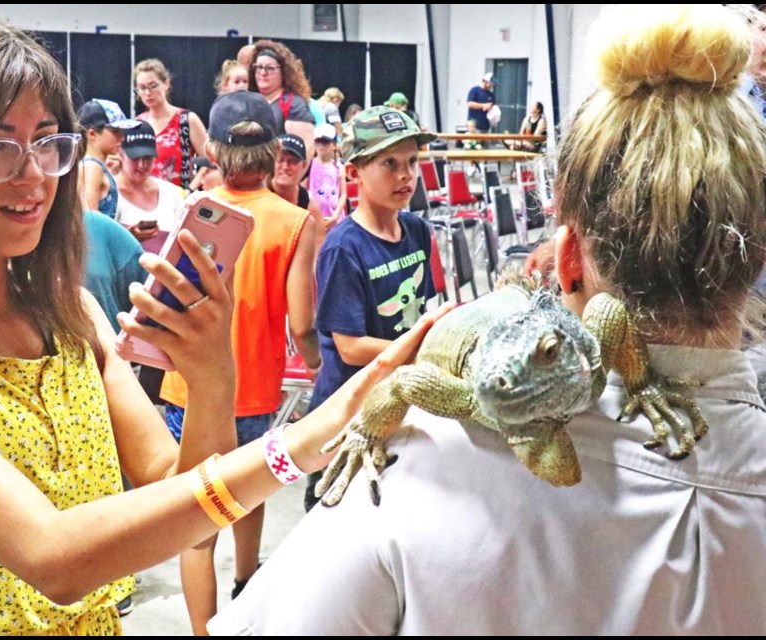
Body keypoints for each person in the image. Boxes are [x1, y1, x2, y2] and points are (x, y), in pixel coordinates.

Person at [0, 14, 447, 635]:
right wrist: (304, 440)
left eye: (46, 141)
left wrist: (208, 374)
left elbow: (182, 500)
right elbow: (52, 558)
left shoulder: (70, 317)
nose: (34, 175)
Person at [210, 4, 766, 634]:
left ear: (567, 259)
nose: (404, 175)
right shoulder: (466, 395)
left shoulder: (405, 489)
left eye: (410, 161)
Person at [158, 91, 321, 634]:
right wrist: (317, 361)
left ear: (216, 154)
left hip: (191, 388)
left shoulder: (195, 213)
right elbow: (301, 323)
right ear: (276, 151)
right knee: (249, 496)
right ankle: (246, 594)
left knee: (196, 524)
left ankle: (204, 629)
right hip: (256, 387)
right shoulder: (297, 221)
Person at [299, 106, 438, 512]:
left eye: (412, 162)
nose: (405, 175)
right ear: (355, 172)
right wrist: (420, 351)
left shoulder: (416, 230)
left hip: (395, 399)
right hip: (347, 410)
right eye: (389, 163)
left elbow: (417, 316)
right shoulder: (344, 247)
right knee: (334, 526)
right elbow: (350, 347)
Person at [134, 58, 208, 190]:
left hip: (179, 197)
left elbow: (208, 160)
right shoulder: (137, 123)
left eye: (153, 86)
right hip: (146, 198)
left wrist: (190, 190)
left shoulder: (186, 120)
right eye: (142, 88)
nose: (147, 93)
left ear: (166, 84)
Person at [114, 119, 185, 251]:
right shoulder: (110, 194)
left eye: (147, 157)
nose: (142, 165)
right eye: (135, 158)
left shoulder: (172, 193)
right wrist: (129, 237)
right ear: (120, 154)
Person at [247, 40, 316, 151]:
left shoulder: (294, 105)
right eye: (259, 67)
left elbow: (305, 151)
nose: (263, 73)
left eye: (270, 68)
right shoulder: (247, 101)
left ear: (283, 71)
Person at [269, 133, 327, 248]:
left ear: (304, 165)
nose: (285, 166)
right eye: (280, 160)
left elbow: (318, 251)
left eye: (293, 161)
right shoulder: (256, 195)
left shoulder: (310, 208)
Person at [78, 99, 130, 218]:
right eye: (115, 131)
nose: (122, 138)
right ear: (92, 134)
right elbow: (90, 221)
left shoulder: (94, 166)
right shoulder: (92, 167)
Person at [307, 123, 347, 229]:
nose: (320, 146)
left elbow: (343, 195)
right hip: (314, 218)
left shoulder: (339, 168)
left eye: (325, 142)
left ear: (333, 145)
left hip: (335, 219)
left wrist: (335, 216)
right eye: (318, 142)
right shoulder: (309, 165)